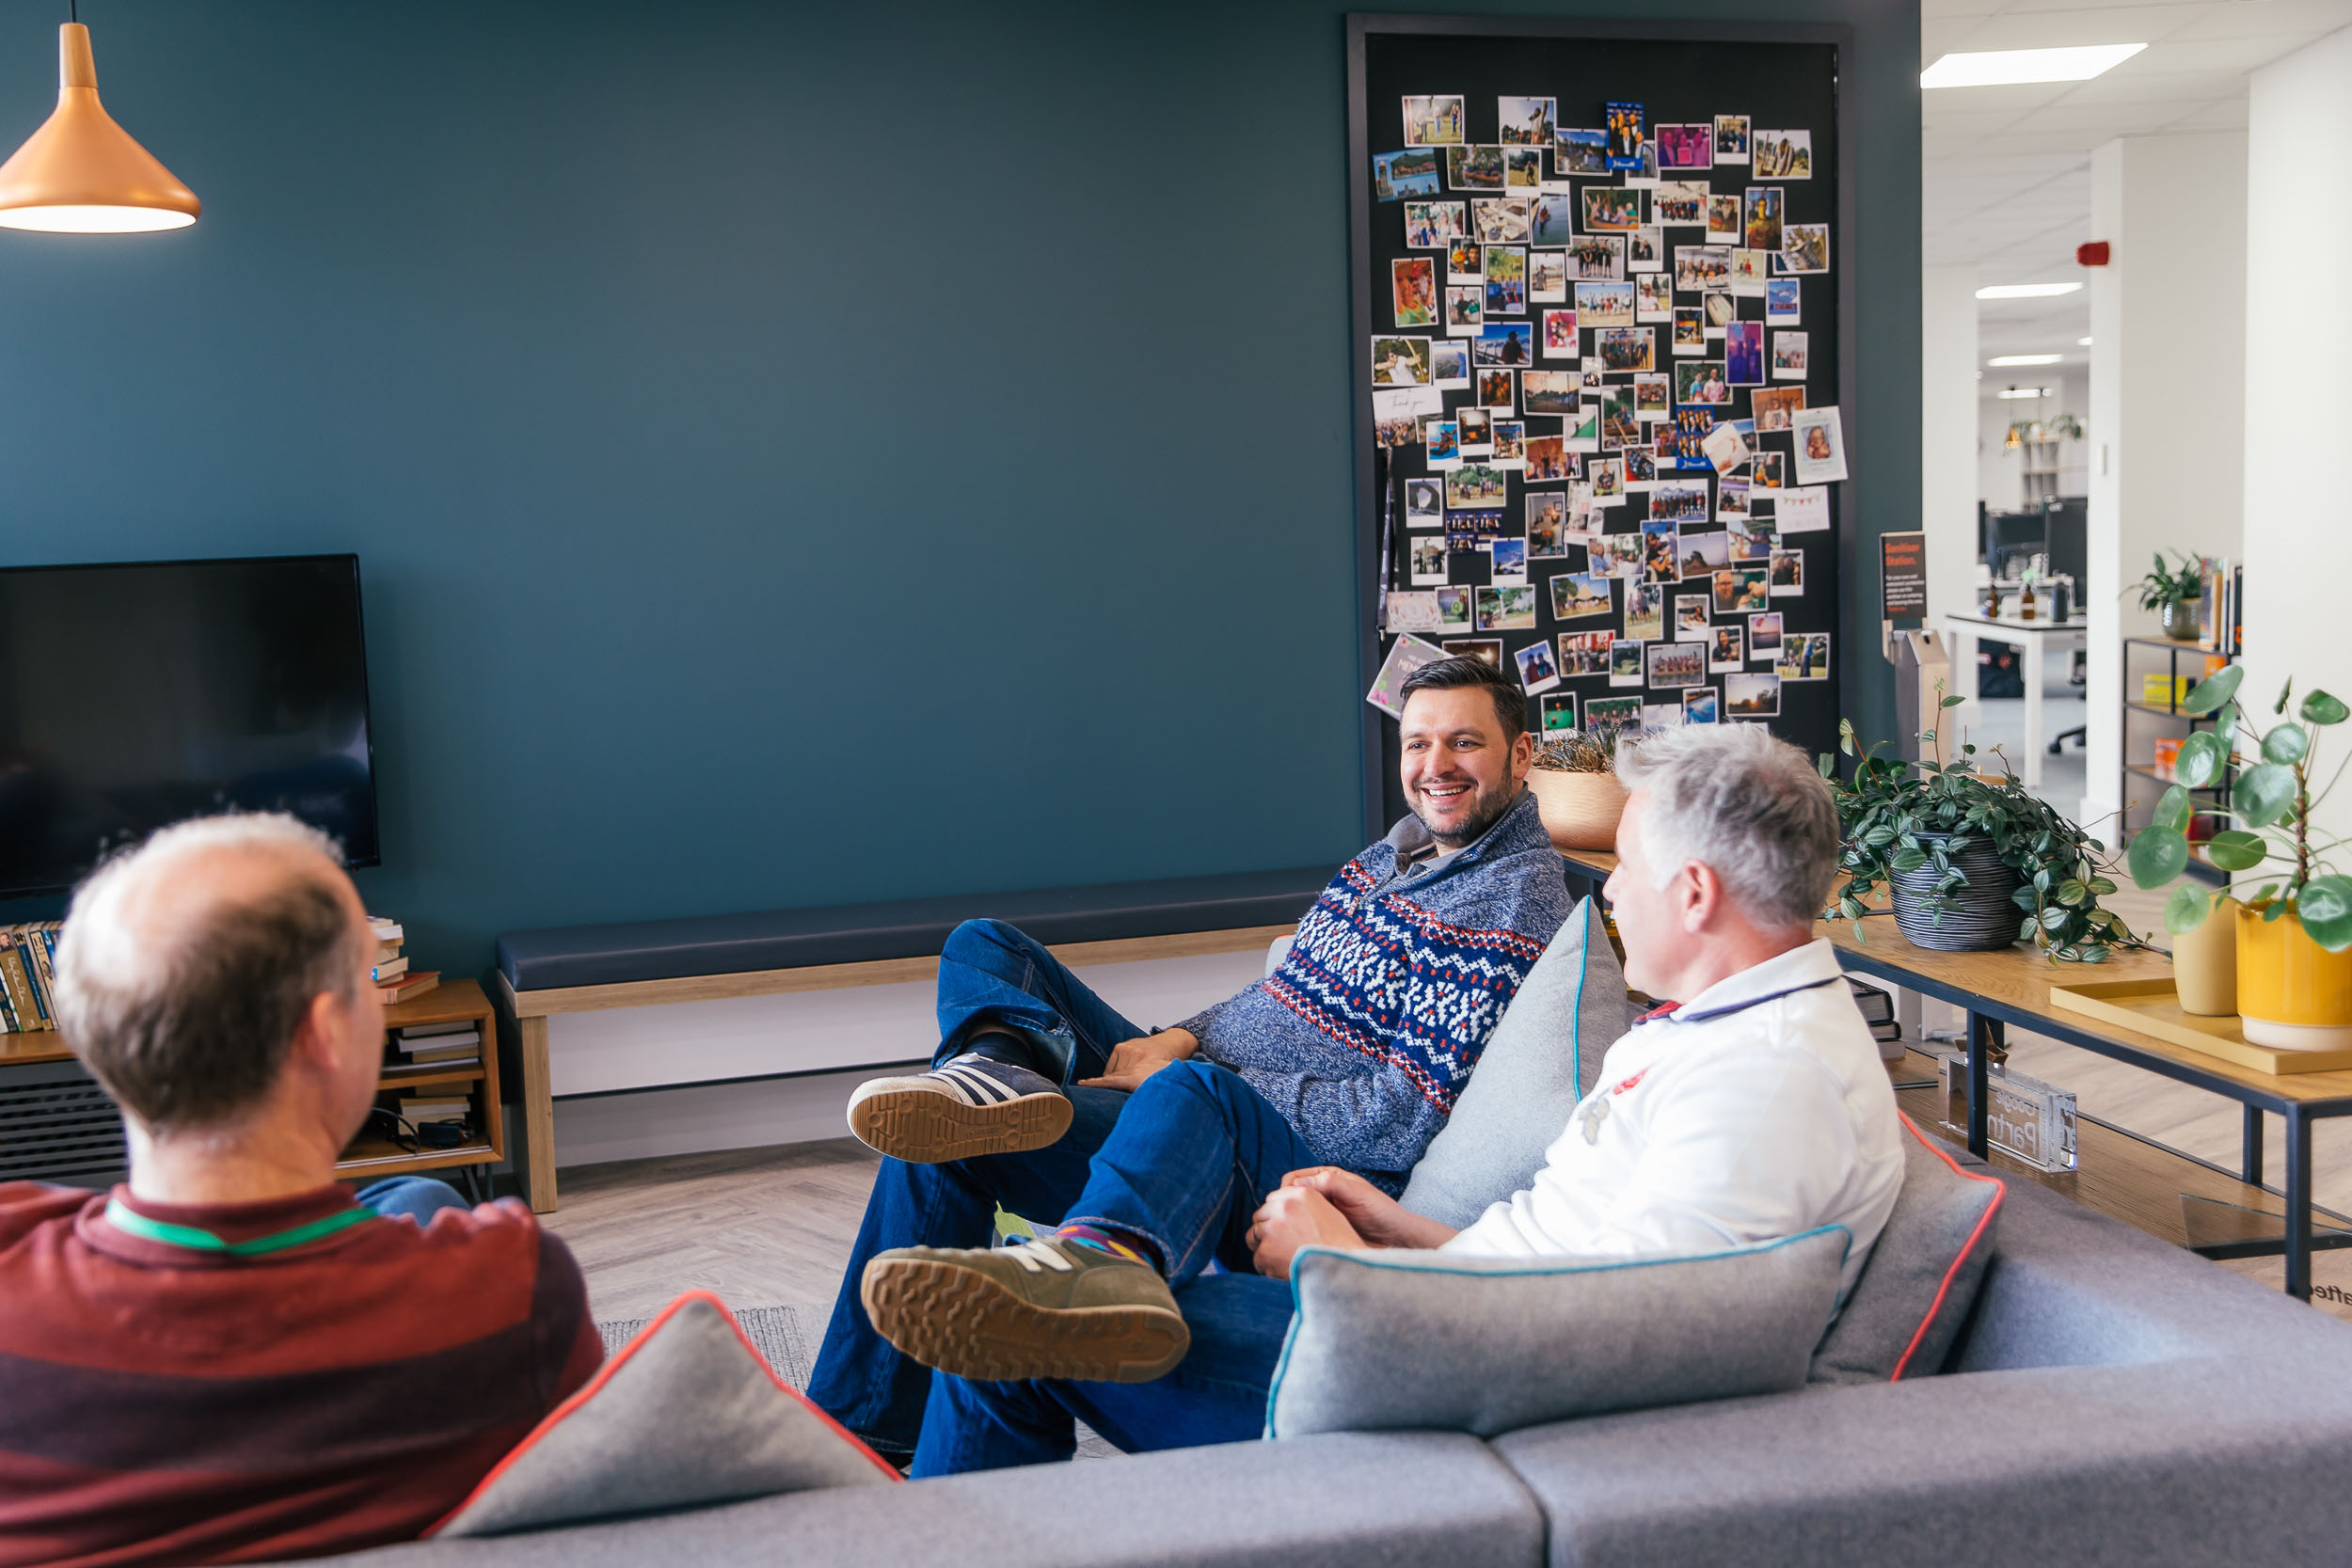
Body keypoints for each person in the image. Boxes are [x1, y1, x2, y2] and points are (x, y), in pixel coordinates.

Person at [875, 724, 1904, 1477]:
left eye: (1626, 867)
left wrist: (1346, 1262)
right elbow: (1581, 1262)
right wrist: (1404, 1229)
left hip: (1442, 1376)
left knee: (1012, 1331)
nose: (1610, 893)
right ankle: (1093, 1250)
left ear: (1693, 893)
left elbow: (1628, 1350)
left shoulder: (1769, 1082)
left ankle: (1061, 1291)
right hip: (1441, 1309)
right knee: (1067, 1250)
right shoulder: (1724, 1029)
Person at [807, 656, 1572, 1460]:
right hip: (1202, 1087)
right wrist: (1178, 1035)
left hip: (1263, 1153)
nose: (1434, 766)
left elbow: (1389, 1122)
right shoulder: (1393, 855)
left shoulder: (1512, 900)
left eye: (1463, 743)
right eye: (1418, 744)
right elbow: (1274, 1000)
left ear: (1520, 756)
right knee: (986, 953)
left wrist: (1196, 1076)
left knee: (980, 1137)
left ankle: (861, 1431)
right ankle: (989, 1072)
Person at [0, 815, 601, 1566]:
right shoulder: (507, 1287)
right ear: (323, 1032)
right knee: (419, 1201)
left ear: (91, 1033)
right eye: (368, 978)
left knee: (409, 1196)